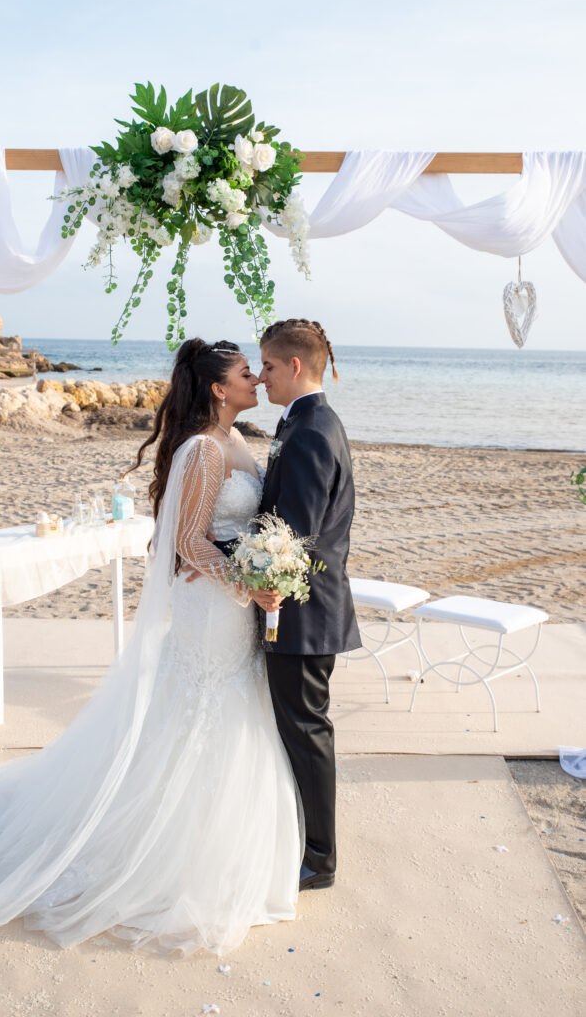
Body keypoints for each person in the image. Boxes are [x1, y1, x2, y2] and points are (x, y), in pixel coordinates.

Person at [0, 339, 303, 956]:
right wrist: (249, 584)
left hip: (233, 606)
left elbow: (228, 533)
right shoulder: (200, 447)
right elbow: (190, 542)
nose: (256, 378)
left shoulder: (240, 440)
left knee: (228, 710)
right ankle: (159, 854)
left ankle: (211, 842)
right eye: (246, 373)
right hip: (212, 610)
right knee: (200, 710)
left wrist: (259, 575)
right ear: (219, 389)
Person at [257, 318, 361, 891]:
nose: (263, 376)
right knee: (298, 728)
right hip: (301, 608)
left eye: (268, 366)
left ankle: (319, 860)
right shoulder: (304, 421)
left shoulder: (313, 429)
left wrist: (251, 575)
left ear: (294, 366)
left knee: (306, 729)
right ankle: (302, 840)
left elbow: (292, 535)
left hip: (301, 612)